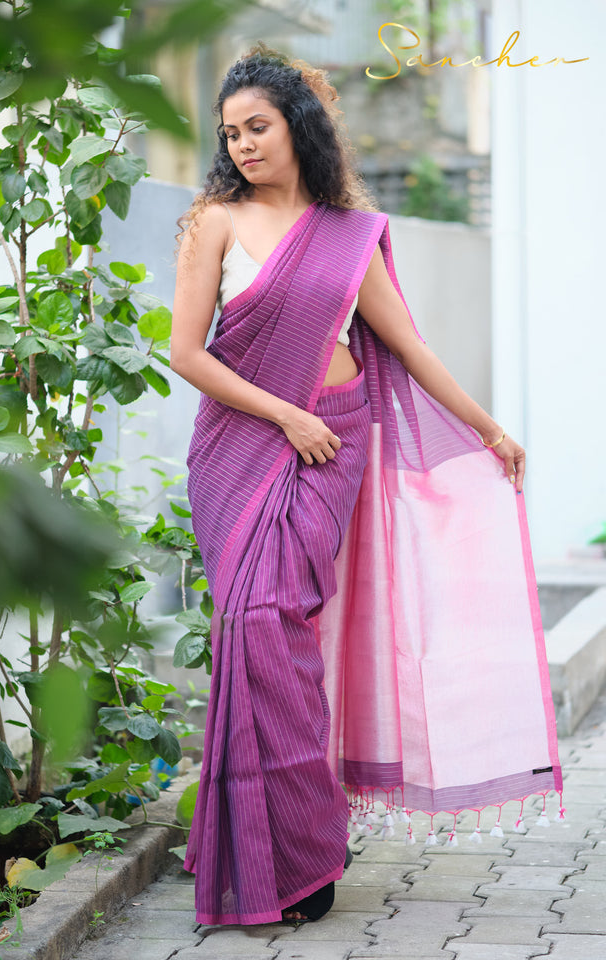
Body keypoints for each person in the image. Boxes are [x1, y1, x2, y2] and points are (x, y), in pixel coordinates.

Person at [170, 47, 561, 927]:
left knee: (286, 625)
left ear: (297, 126)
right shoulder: (214, 222)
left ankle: (299, 848)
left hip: (330, 446)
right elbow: (187, 353)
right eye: (230, 134)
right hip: (245, 448)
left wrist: (489, 426)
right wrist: (284, 415)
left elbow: (411, 348)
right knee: (254, 625)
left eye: (258, 127)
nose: (242, 146)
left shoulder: (350, 234)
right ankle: (290, 842)